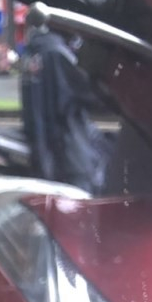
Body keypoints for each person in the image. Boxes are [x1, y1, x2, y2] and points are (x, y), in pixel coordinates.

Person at [19, 19, 111, 192]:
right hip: (66, 144)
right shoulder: (58, 54)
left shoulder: (34, 51)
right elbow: (90, 94)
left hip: (42, 140)